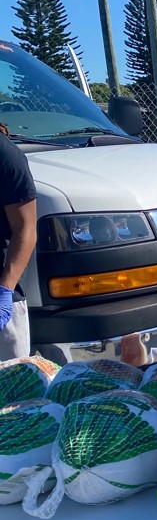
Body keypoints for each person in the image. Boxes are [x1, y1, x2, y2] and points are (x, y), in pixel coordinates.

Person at [0, 121, 37, 362]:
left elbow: (25, 227)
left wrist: (5, 290)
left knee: (13, 392)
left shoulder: (4, 154)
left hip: (3, 298)